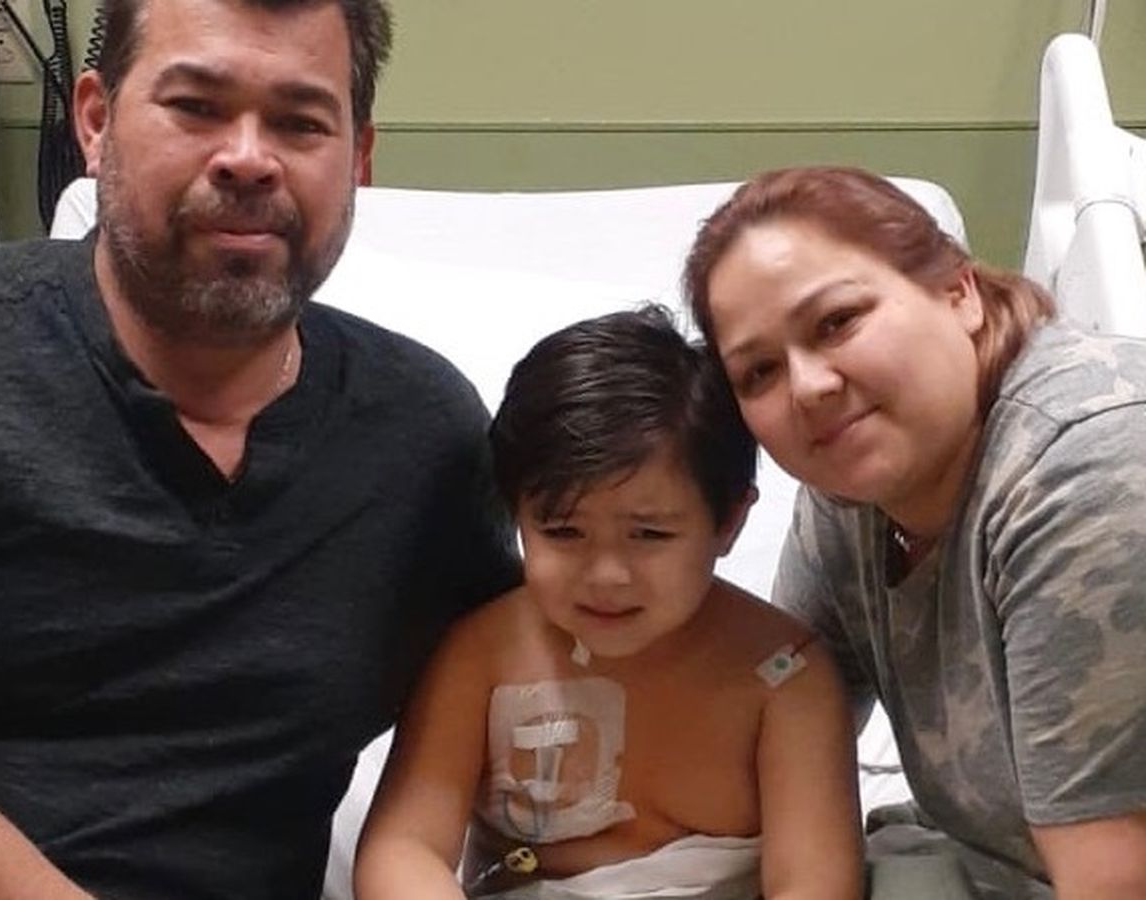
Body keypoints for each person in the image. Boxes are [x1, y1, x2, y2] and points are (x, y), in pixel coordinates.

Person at [0, 0, 520, 897]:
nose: (249, 158)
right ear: (95, 123)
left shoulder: (423, 436)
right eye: (196, 106)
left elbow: (541, 687)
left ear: (359, 162)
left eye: (300, 122)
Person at [682, 165, 1146, 899]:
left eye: (837, 322)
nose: (809, 387)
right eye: (760, 372)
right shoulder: (849, 498)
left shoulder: (1089, 471)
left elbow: (1114, 880)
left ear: (959, 292)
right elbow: (769, 744)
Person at [353, 306, 863, 900]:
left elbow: (815, 885)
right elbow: (402, 848)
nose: (606, 575)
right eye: (563, 532)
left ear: (728, 522)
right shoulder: (483, 656)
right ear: (516, 514)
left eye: (649, 535)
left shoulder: (784, 677)